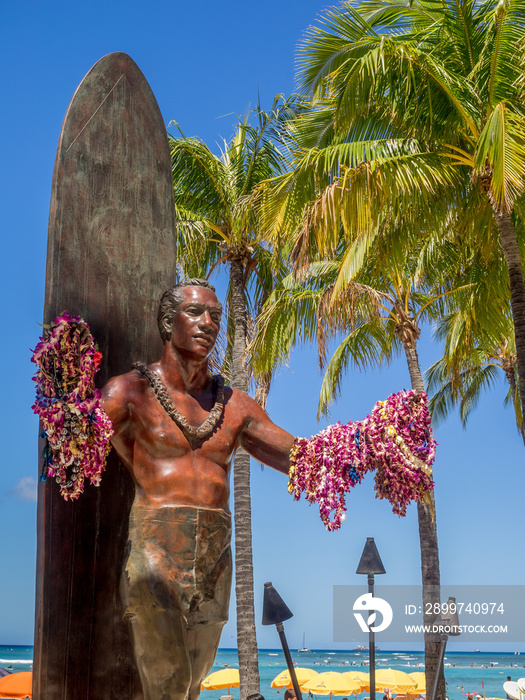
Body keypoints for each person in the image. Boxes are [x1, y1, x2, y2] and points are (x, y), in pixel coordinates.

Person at [102, 279, 295, 700]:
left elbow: (296, 456)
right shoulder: (129, 392)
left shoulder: (235, 405)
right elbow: (75, 442)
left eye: (216, 316)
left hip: (216, 556)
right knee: (169, 683)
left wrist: (371, 445)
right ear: (167, 323)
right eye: (195, 312)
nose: (208, 323)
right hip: (155, 548)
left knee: (192, 685)